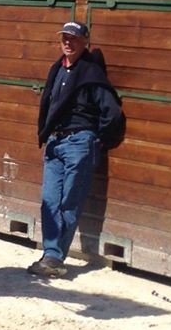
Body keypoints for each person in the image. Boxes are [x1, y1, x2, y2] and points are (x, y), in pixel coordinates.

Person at [28, 20, 125, 278]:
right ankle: (52, 254)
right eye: (64, 38)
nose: (68, 42)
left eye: (74, 38)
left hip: (80, 143)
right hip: (56, 143)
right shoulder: (57, 70)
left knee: (69, 202)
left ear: (85, 42)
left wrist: (95, 139)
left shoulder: (91, 75)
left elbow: (111, 113)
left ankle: (54, 257)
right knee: (50, 201)